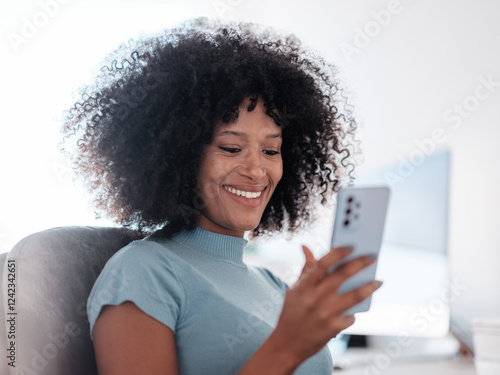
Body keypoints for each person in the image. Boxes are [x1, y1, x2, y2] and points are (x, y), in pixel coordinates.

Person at [61, 18, 382, 375]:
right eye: (231, 148)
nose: (257, 171)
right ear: (180, 155)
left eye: (271, 151)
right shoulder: (143, 273)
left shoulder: (274, 285)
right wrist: (288, 345)